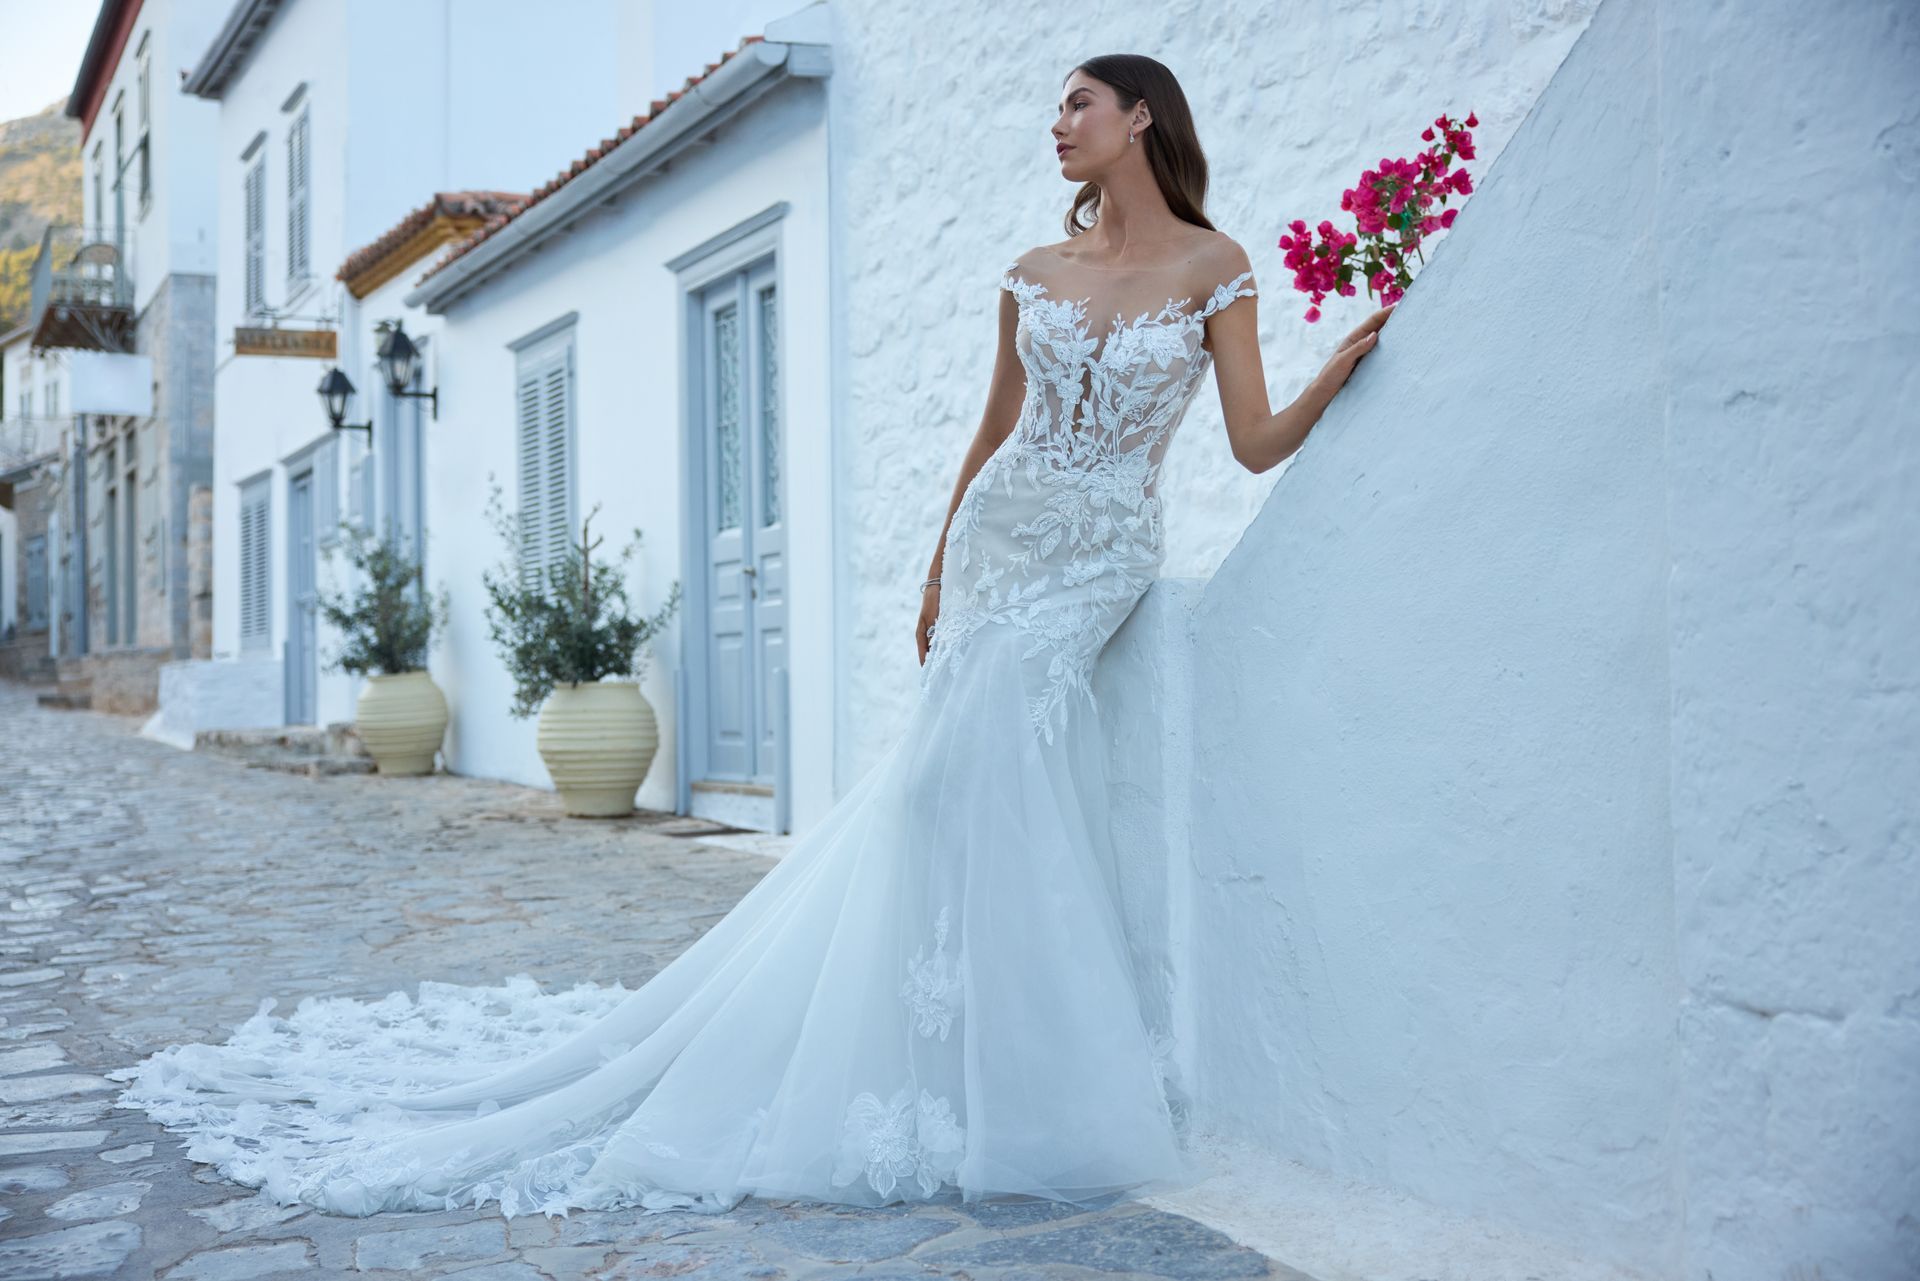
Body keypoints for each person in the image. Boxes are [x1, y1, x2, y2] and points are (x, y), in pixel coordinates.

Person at [112, 53, 1389, 1221]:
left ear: (1140, 117)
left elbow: (1250, 440)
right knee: (948, 787)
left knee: (986, 772)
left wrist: (1339, 367)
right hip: (1006, 547)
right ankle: (934, 1049)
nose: (1057, 126)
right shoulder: (1032, 275)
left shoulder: (1215, 269)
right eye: (1056, 107)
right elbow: (991, 435)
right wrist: (942, 563)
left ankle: (1007, 1070)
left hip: (1099, 556)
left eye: (1077, 105)